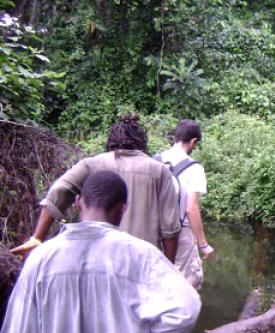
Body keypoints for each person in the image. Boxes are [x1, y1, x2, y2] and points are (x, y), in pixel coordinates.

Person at [1, 170, 200, 333]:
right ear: (123, 208)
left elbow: (18, 325)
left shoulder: (41, 258)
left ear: (78, 202)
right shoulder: (143, 255)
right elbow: (186, 309)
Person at [10, 114, 180, 262]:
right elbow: (170, 229)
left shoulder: (92, 164)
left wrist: (37, 239)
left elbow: (58, 192)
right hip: (143, 263)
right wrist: (168, 268)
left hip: (96, 260)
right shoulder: (160, 171)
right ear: (142, 142)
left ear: (111, 142)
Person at [157, 119, 214, 290]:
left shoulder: (155, 160)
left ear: (175, 137)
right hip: (180, 233)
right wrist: (203, 244)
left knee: (159, 281)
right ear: (193, 142)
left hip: (154, 230)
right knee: (187, 284)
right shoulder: (194, 168)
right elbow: (191, 208)